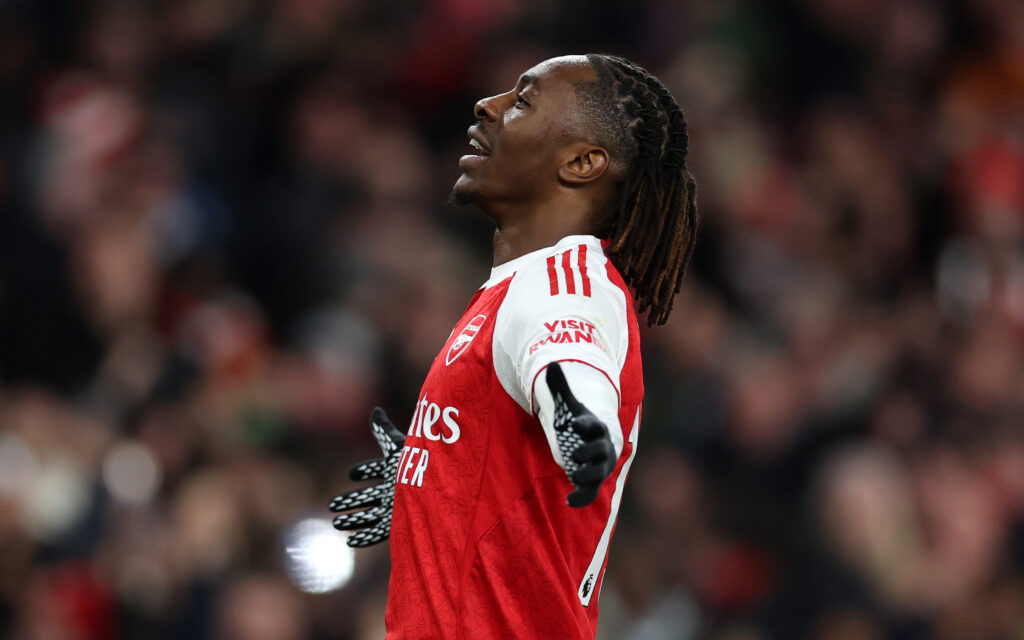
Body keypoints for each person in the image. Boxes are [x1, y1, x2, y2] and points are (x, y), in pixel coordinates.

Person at [329, 53, 698, 639]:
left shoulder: (562, 286)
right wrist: (432, 482)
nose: (489, 105)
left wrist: (581, 423)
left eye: (522, 101)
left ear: (581, 162)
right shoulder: (516, 290)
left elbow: (574, 373)